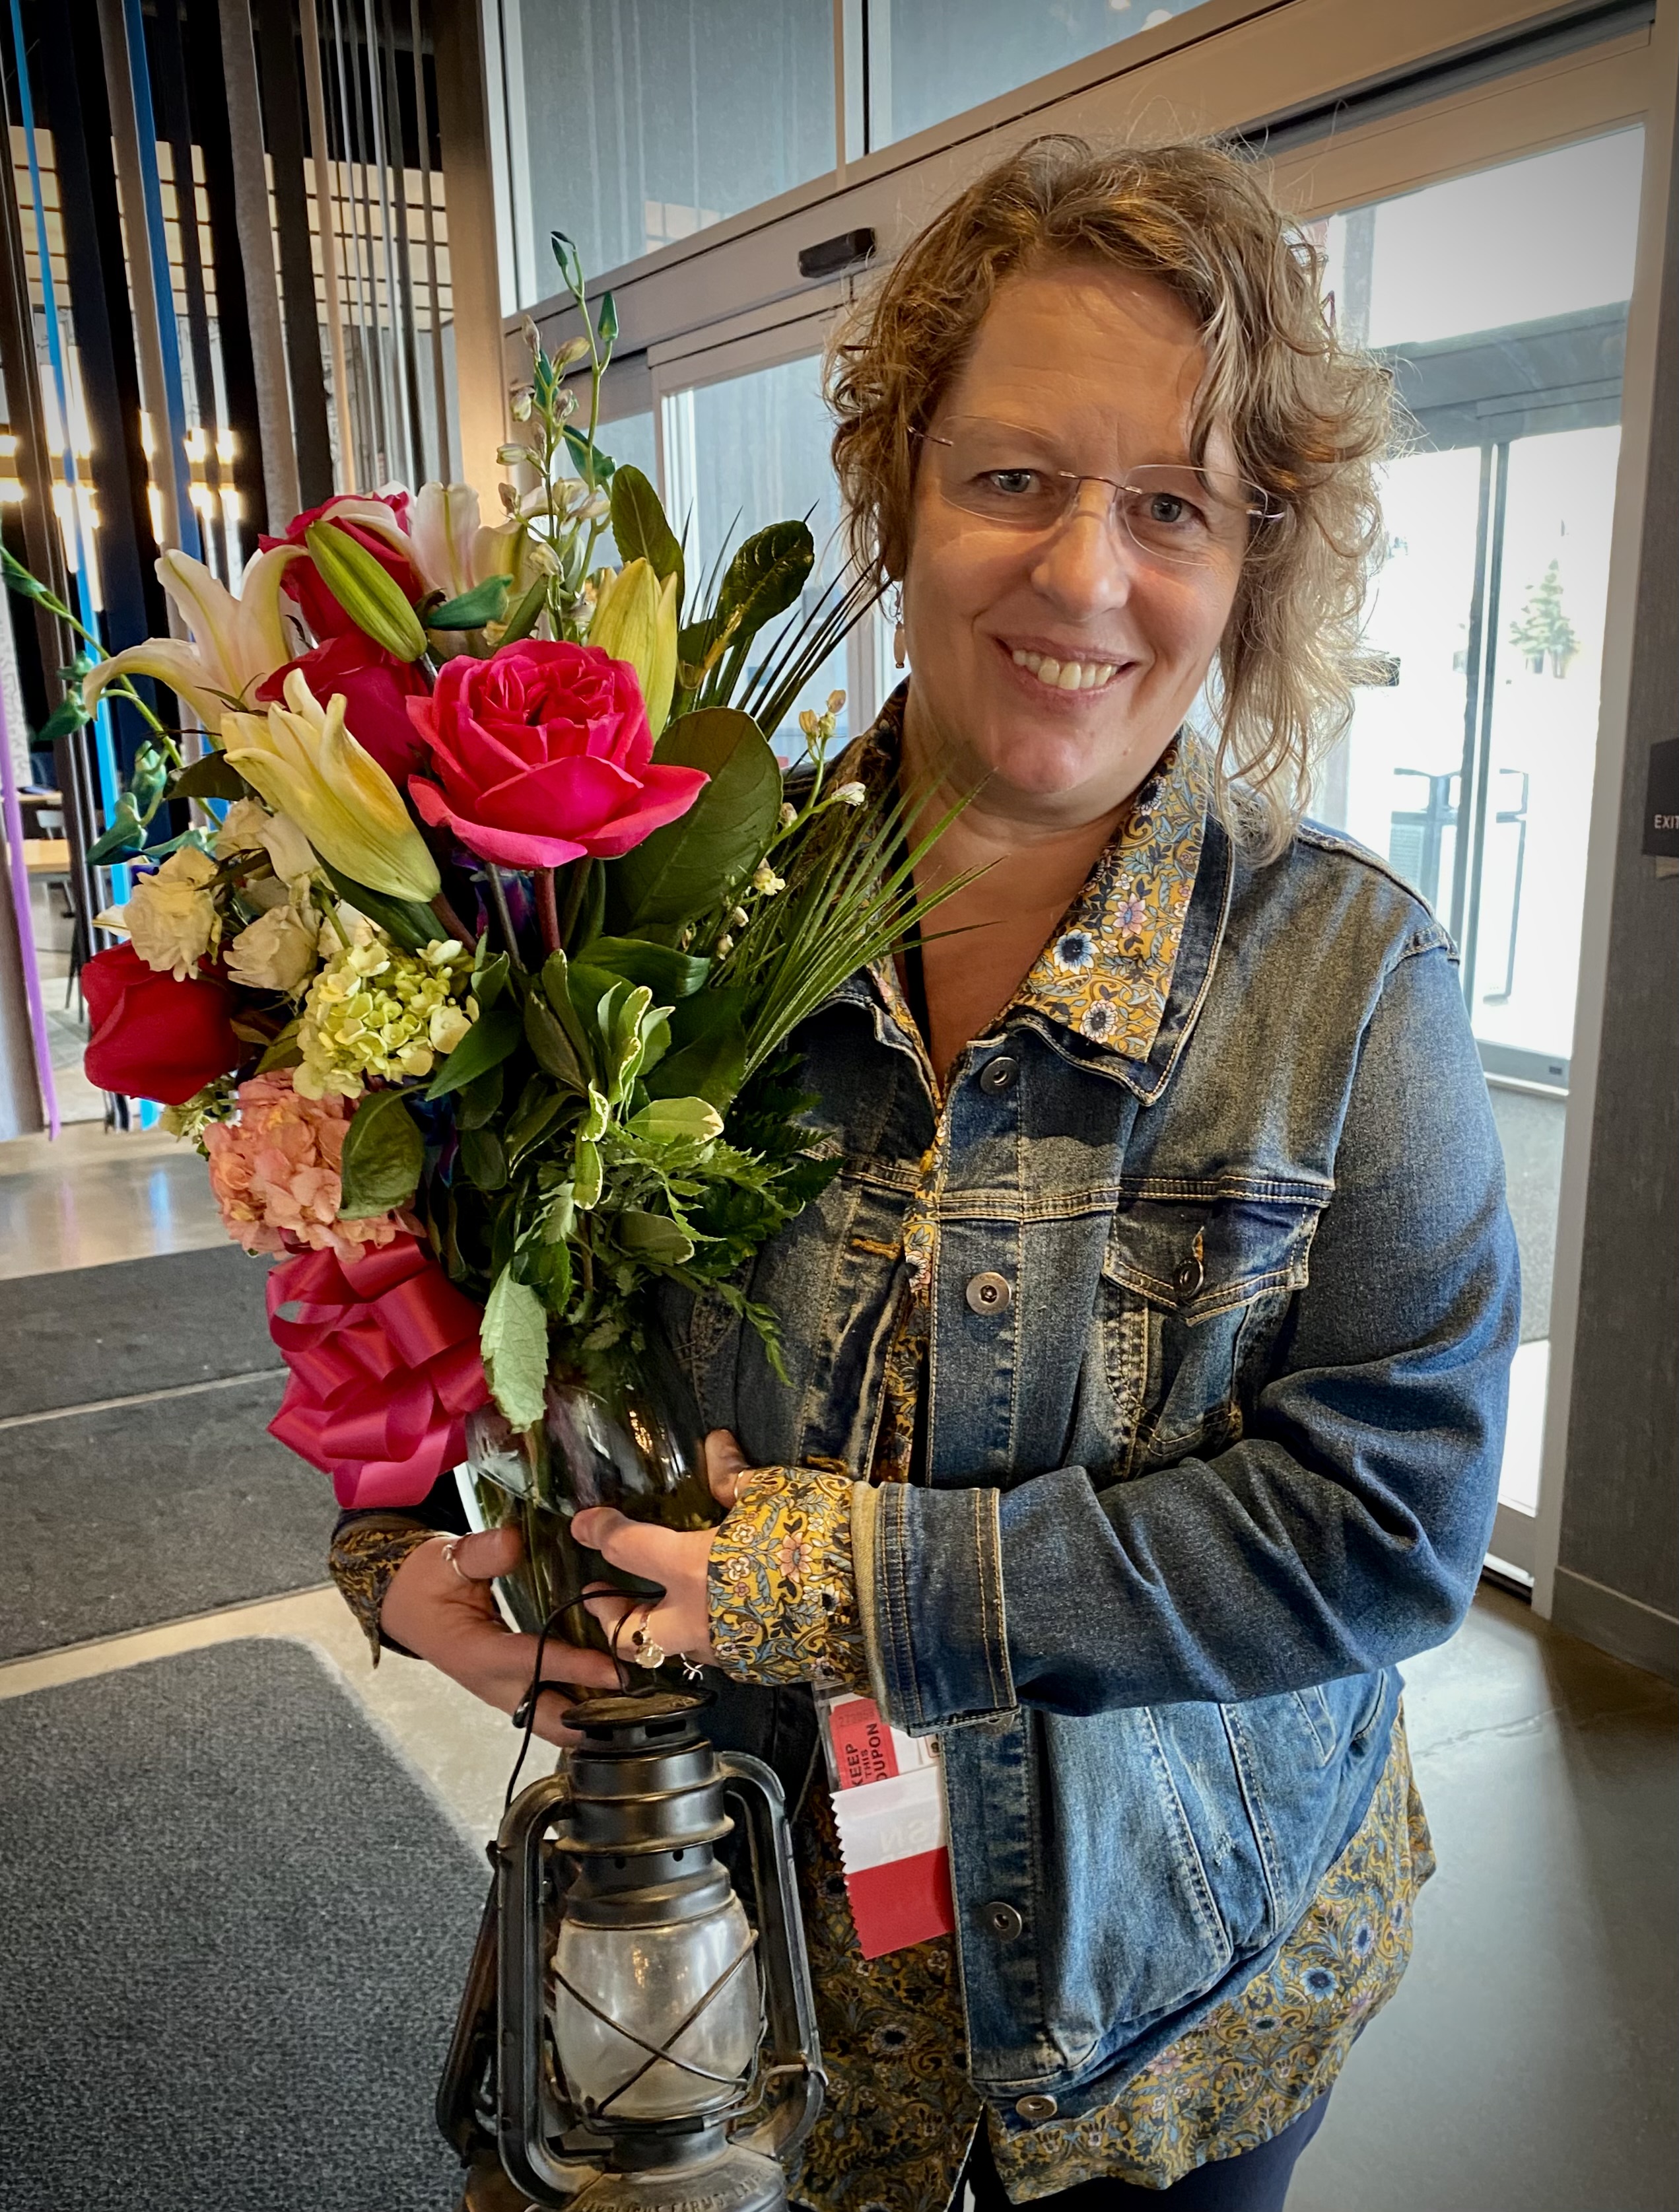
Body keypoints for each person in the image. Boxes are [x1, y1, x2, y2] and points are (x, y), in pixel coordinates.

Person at [337, 136, 1519, 2211]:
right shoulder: (659, 909)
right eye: (1012, 478)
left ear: (1260, 555)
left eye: (1171, 505)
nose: (1083, 574)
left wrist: (855, 1587)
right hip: (735, 1964)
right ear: (898, 489)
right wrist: (408, 1557)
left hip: (1171, 2000)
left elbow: (1388, 1531)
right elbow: (449, 1300)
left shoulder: (1350, 979)